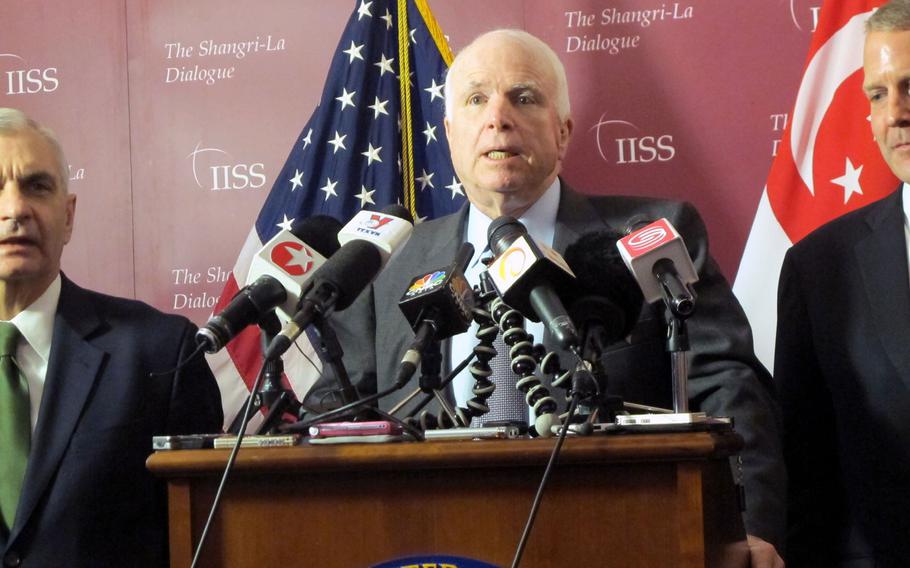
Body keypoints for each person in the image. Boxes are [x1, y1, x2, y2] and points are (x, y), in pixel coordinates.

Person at [322, 29, 785, 565]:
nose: (498, 117)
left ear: (563, 132)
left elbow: (728, 390)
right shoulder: (390, 262)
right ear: (450, 134)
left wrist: (746, 528)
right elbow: (340, 410)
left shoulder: (647, 237)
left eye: (523, 97)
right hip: (425, 543)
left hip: (612, 540)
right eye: (477, 100)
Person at [0, 108, 223, 567]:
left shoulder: (162, 355)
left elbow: (202, 539)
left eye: (37, 186)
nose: (15, 209)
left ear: (68, 215)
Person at [775, 1, 910, 565]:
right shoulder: (819, 269)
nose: (895, 112)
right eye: (877, 94)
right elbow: (806, 477)